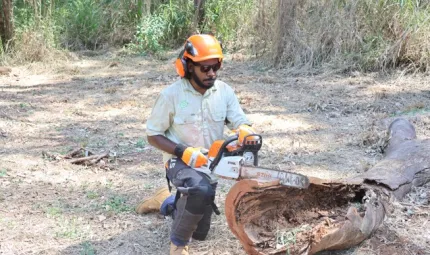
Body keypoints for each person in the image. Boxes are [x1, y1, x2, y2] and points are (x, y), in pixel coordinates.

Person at [135, 34, 256, 255]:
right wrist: (183, 151)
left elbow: (239, 120)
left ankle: (165, 201)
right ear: (189, 66)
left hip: (209, 163)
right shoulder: (171, 95)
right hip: (178, 162)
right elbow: (153, 135)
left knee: (201, 232)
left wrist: (244, 129)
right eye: (205, 68)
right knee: (198, 191)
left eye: (215, 67)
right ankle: (178, 246)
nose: (212, 73)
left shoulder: (224, 92)